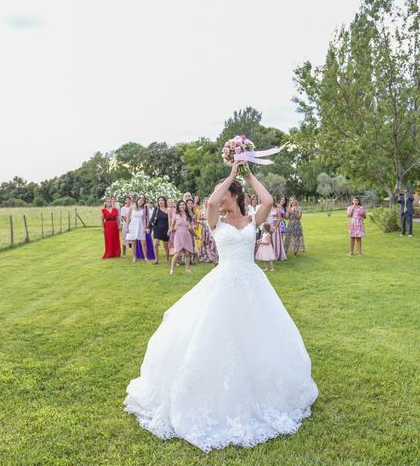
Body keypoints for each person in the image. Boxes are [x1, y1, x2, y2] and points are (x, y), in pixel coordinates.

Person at [124, 160, 318, 452]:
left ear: (236, 194)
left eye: (226, 190)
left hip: (252, 284)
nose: (220, 194)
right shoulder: (216, 220)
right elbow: (212, 201)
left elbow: (266, 200)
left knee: (257, 337)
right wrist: (230, 173)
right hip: (223, 284)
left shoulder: (252, 220)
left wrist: (248, 172)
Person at [169, 200, 196, 274]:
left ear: (185, 206)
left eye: (183, 205)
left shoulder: (188, 215)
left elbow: (191, 227)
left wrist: (195, 235)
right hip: (178, 236)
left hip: (186, 236)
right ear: (178, 206)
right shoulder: (176, 215)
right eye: (180, 205)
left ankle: (187, 269)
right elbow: (172, 227)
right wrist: (170, 233)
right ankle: (172, 269)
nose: (182, 206)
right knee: (177, 254)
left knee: (187, 253)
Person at [148, 196, 171, 264]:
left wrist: (169, 229)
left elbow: (169, 220)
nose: (160, 201)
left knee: (165, 246)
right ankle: (156, 259)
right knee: (155, 244)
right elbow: (152, 218)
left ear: (165, 201)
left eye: (162, 200)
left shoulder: (168, 210)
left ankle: (167, 259)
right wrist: (148, 226)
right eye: (159, 200)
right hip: (157, 228)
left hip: (165, 229)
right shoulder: (156, 209)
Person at [126, 196, 149, 262]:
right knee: (133, 243)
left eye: (142, 201)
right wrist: (127, 227)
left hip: (140, 226)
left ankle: (145, 257)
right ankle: (134, 257)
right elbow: (128, 218)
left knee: (143, 243)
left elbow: (144, 219)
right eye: (140, 201)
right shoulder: (131, 208)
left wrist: (145, 227)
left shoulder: (143, 209)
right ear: (137, 200)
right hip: (132, 226)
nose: (141, 202)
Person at [198, 197, 218, 264]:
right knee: (205, 241)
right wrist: (202, 222)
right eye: (206, 201)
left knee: (211, 240)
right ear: (204, 203)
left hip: (211, 227)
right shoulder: (201, 211)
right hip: (204, 228)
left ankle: (212, 255)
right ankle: (205, 255)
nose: (207, 202)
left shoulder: (212, 210)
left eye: (208, 201)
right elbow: (198, 220)